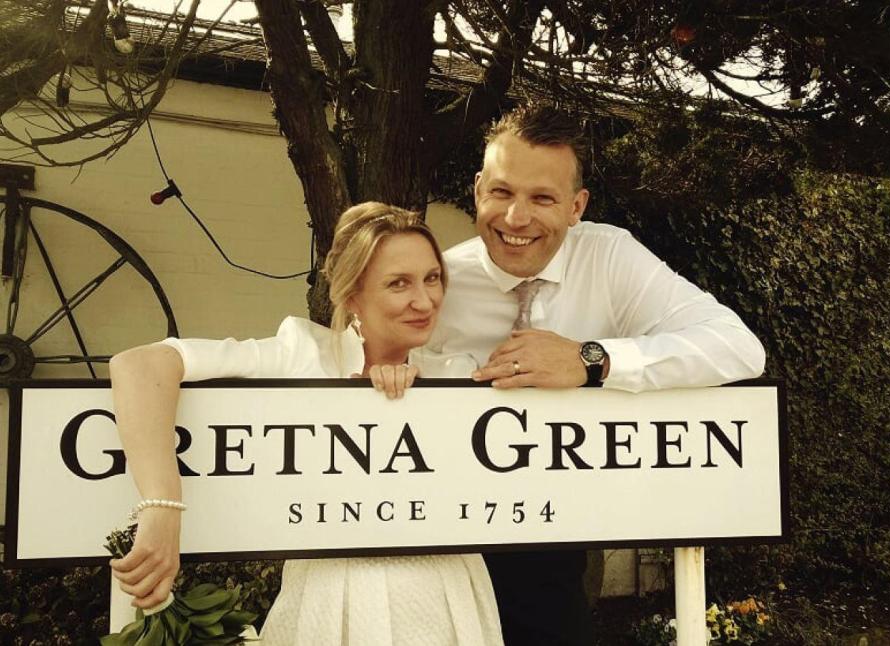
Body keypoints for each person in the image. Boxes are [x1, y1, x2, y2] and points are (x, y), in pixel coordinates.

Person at [422, 105, 767, 646]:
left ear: (577, 206)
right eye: (501, 192)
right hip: (438, 546)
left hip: (559, 549)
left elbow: (738, 348)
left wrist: (591, 361)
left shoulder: (610, 258)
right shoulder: (434, 279)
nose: (515, 219)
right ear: (477, 191)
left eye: (542, 198)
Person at [108, 202, 504, 646]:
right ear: (352, 296)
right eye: (399, 283)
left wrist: (412, 404)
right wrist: (162, 507)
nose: (425, 300)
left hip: (447, 593)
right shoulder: (302, 353)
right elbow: (139, 366)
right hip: (332, 596)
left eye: (432, 278)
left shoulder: (456, 372)